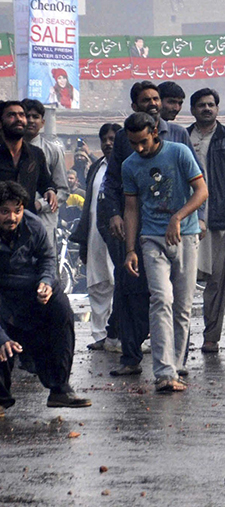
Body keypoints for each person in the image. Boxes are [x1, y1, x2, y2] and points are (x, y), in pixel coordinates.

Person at [96, 82, 191, 378]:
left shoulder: (179, 136)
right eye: (145, 100)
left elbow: (198, 182)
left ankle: (177, 360)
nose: (152, 103)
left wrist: (196, 219)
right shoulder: (127, 138)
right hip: (139, 226)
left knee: (178, 297)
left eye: (155, 98)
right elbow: (114, 180)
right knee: (131, 289)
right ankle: (131, 356)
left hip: (180, 228)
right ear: (135, 105)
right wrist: (115, 214)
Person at [120, 112, 209, 393]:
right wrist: (130, 249)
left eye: (143, 142)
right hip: (151, 239)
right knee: (161, 299)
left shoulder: (179, 152)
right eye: (134, 143)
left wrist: (178, 217)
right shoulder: (129, 165)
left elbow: (201, 191)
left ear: (155, 131)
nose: (139, 149)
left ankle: (177, 365)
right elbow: (131, 209)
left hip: (186, 236)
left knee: (182, 306)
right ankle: (164, 372)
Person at [0, 181, 90, 416]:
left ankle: (60, 388)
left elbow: (48, 260)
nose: (12, 217)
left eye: (17, 211)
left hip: (32, 292)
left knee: (61, 306)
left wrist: (46, 283)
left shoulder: (34, 224)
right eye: (4, 211)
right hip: (2, 298)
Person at [185, 88, 225, 355]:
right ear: (193, 110)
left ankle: (211, 337)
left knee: (217, 285)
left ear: (218, 109)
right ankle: (180, 337)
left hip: (220, 221)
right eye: (201, 105)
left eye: (211, 105)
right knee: (183, 283)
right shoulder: (182, 138)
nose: (207, 109)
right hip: (187, 220)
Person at [73, 122, 120, 351]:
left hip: (119, 234)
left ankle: (121, 334)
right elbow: (88, 206)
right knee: (98, 284)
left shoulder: (128, 165)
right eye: (105, 140)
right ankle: (101, 335)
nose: (108, 143)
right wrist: (83, 241)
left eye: (113, 138)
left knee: (119, 283)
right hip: (94, 235)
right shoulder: (96, 168)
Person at [20, 99, 68, 235]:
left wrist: (41, 204)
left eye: (35, 117)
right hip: (14, 221)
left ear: (43, 123)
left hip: (44, 222)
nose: (30, 120)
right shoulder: (10, 150)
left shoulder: (53, 150)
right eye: (27, 116)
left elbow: (63, 190)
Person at [0, 101, 52, 213]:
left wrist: (50, 191)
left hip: (26, 223)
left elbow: (46, 183)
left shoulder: (36, 154)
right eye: (11, 115)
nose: (18, 119)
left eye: (21, 115)